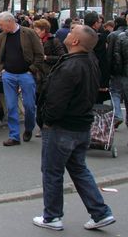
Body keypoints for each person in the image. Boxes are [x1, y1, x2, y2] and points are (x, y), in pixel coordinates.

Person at [33, 25, 115, 231]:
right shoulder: (88, 62)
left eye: (71, 33)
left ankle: (52, 217)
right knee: (79, 169)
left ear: (76, 41)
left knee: (52, 172)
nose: (67, 35)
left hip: (63, 127)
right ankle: (100, 212)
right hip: (80, 125)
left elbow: (56, 102)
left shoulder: (71, 67)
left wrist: (47, 121)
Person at [0, 11, 44, 146]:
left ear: (10, 22)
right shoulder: (2, 36)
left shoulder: (28, 33)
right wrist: (2, 69)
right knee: (11, 106)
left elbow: (39, 54)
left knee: (29, 105)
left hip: (25, 74)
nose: (0, 27)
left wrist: (31, 70)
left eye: (1, 24)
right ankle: (14, 136)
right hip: (9, 74)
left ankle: (29, 128)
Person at [106, 16, 128, 128]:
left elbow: (114, 56)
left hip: (120, 72)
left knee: (115, 92)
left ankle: (118, 114)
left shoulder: (117, 36)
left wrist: (110, 71)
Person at [84, 11, 109, 105]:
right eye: (99, 22)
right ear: (95, 24)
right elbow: (102, 59)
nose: (101, 24)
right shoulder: (98, 37)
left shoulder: (80, 34)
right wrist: (103, 82)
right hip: (95, 74)